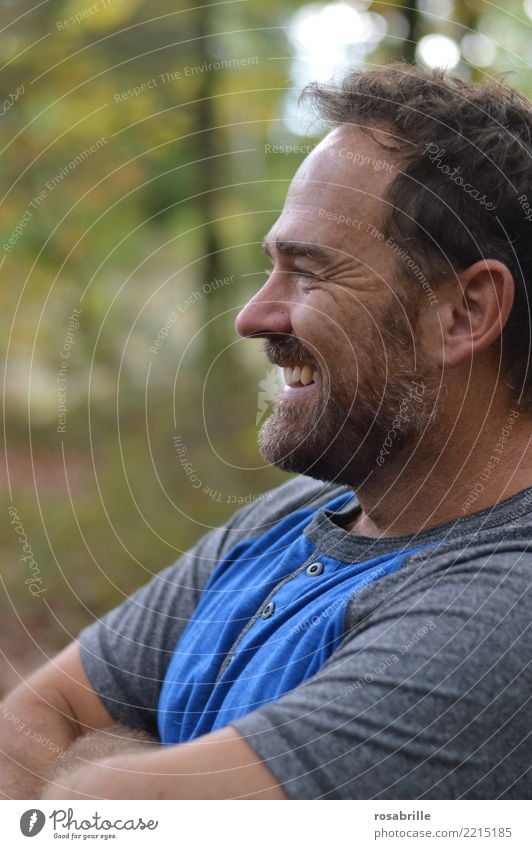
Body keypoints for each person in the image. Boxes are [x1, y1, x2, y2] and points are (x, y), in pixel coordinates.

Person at [2, 63, 532, 801]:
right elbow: (34, 718)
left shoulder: (504, 606)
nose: (252, 317)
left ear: (466, 312)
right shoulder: (287, 521)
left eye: (309, 273)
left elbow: (113, 812)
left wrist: (111, 759)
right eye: (269, 267)